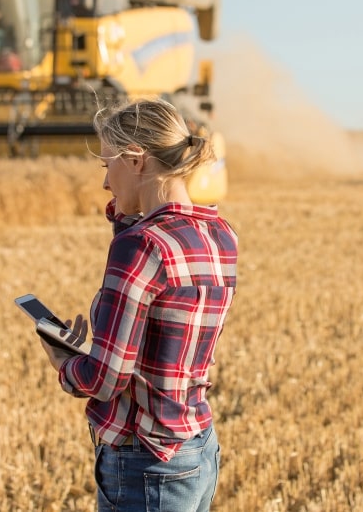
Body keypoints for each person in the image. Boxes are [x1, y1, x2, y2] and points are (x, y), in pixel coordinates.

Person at [39, 98, 238, 512]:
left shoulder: (141, 247)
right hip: (196, 448)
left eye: (107, 164)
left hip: (145, 462)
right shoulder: (220, 235)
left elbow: (104, 380)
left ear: (135, 161)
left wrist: (64, 362)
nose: (105, 184)